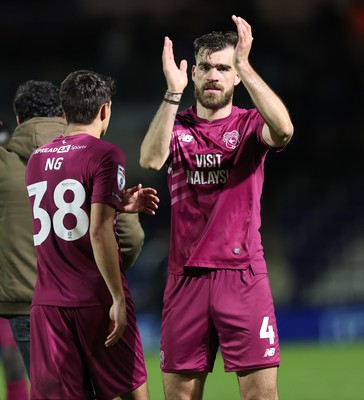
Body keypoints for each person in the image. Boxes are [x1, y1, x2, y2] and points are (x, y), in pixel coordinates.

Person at [140, 15, 294, 400]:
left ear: (236, 76)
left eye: (224, 68)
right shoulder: (177, 127)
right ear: (192, 73)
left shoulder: (248, 126)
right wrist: (172, 94)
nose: (214, 75)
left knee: (261, 396)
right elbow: (150, 160)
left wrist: (246, 65)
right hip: (185, 279)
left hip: (243, 277)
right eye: (206, 67)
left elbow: (285, 130)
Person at [25, 70, 159, 400]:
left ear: (64, 113)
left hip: (48, 305)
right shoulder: (106, 154)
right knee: (132, 395)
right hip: (94, 299)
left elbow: (67, 213)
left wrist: (116, 205)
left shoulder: (36, 159)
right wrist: (116, 297)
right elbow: (98, 231)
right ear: (105, 110)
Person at [0, 80, 146, 379]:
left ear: (18, 120)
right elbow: (130, 238)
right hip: (90, 296)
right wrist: (105, 278)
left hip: (29, 306)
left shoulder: (9, 165)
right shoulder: (99, 155)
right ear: (63, 113)